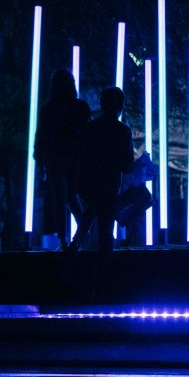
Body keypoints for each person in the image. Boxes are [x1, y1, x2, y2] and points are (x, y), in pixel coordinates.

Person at [69, 87, 134, 256]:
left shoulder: (90, 128)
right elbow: (126, 165)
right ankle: (104, 270)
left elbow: (79, 155)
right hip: (110, 185)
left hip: (88, 183)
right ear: (120, 105)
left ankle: (76, 243)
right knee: (106, 227)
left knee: (92, 210)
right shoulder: (123, 131)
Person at [34, 68, 90, 249]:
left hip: (55, 158)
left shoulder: (48, 109)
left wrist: (39, 159)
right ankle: (82, 234)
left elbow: (41, 135)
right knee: (72, 198)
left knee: (60, 198)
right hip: (76, 158)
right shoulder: (80, 107)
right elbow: (85, 133)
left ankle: (64, 240)